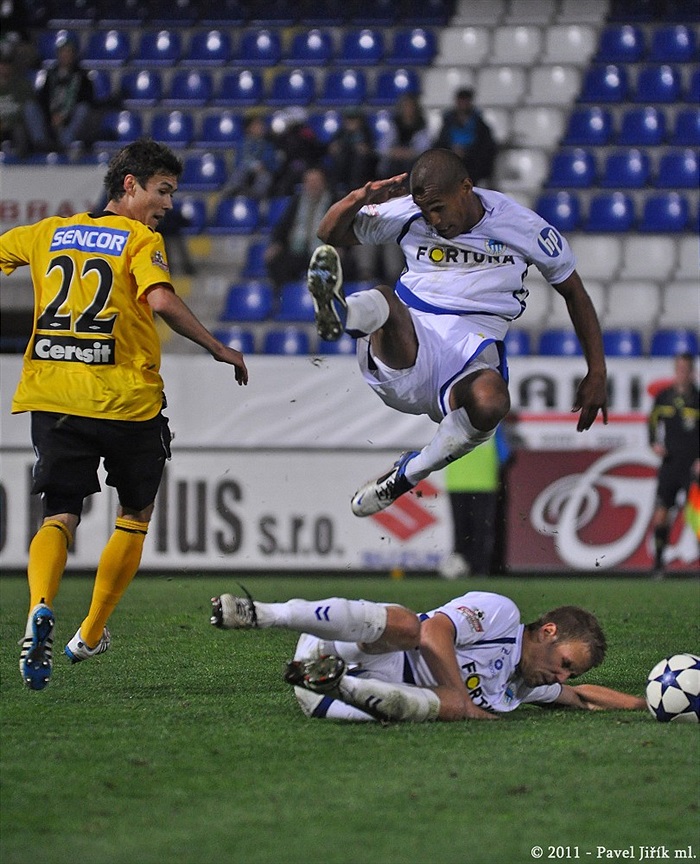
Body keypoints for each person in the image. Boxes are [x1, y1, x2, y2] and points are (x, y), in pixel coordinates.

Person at [0, 138, 249, 691]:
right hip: (127, 400)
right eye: (162, 191)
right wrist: (218, 347)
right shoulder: (140, 239)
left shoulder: (48, 232)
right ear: (130, 185)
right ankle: (89, 631)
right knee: (134, 513)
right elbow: (160, 301)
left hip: (54, 395)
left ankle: (40, 606)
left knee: (58, 515)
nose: (167, 204)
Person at [306, 148, 608, 518]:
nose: (432, 221)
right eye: (425, 211)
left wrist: (597, 370)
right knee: (385, 299)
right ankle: (342, 312)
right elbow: (328, 234)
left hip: (470, 353)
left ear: (466, 188)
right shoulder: (411, 213)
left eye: (438, 208)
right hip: (408, 338)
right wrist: (360, 197)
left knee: (493, 401)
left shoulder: (523, 226)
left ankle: (407, 474)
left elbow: (573, 291)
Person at [209, 589, 647, 722]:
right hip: (335, 644)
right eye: (565, 663)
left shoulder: (521, 687)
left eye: (570, 674)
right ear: (547, 632)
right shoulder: (501, 616)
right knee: (409, 624)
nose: (560, 678)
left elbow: (584, 698)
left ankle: (334, 683)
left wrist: (652, 705)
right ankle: (264, 614)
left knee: (451, 703)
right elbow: (435, 633)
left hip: (328, 702)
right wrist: (465, 703)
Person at [648, 352, 700, 573]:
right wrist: (654, 443)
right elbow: (652, 421)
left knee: (697, 517)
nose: (683, 374)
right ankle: (659, 564)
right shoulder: (664, 397)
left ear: (692, 372)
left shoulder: (698, 398)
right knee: (661, 515)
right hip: (670, 464)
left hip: (692, 466)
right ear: (675, 370)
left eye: (686, 370)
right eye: (679, 369)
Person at [264, 165, 333, 297]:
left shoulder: (333, 201)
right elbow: (283, 226)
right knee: (276, 262)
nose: (313, 185)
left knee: (343, 264)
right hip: (298, 249)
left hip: (323, 250)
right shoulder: (297, 201)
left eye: (316, 182)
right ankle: (286, 298)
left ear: (323, 183)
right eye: (309, 182)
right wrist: (277, 243)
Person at [32, 32, 95, 154]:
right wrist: (52, 116)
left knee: (83, 110)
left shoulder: (83, 77)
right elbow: (42, 99)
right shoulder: (50, 75)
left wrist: (64, 116)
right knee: (31, 108)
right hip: (50, 119)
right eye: (63, 52)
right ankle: (40, 143)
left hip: (70, 121)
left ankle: (63, 144)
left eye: (68, 52)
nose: (65, 56)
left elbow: (86, 101)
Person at [435, 87, 497, 186]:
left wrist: (467, 152)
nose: (463, 104)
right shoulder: (448, 123)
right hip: (451, 160)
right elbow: (441, 142)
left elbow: (486, 146)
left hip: (473, 163)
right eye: (461, 101)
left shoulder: (480, 124)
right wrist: (453, 150)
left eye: (466, 101)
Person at [223, 114, 279, 200]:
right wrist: (252, 166)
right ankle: (230, 194)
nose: (260, 127)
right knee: (239, 172)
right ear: (249, 128)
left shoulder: (268, 144)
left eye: (261, 124)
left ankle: (254, 198)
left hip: (263, 171)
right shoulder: (242, 143)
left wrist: (264, 166)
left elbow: (273, 163)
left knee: (265, 178)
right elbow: (238, 161)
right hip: (245, 169)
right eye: (256, 125)